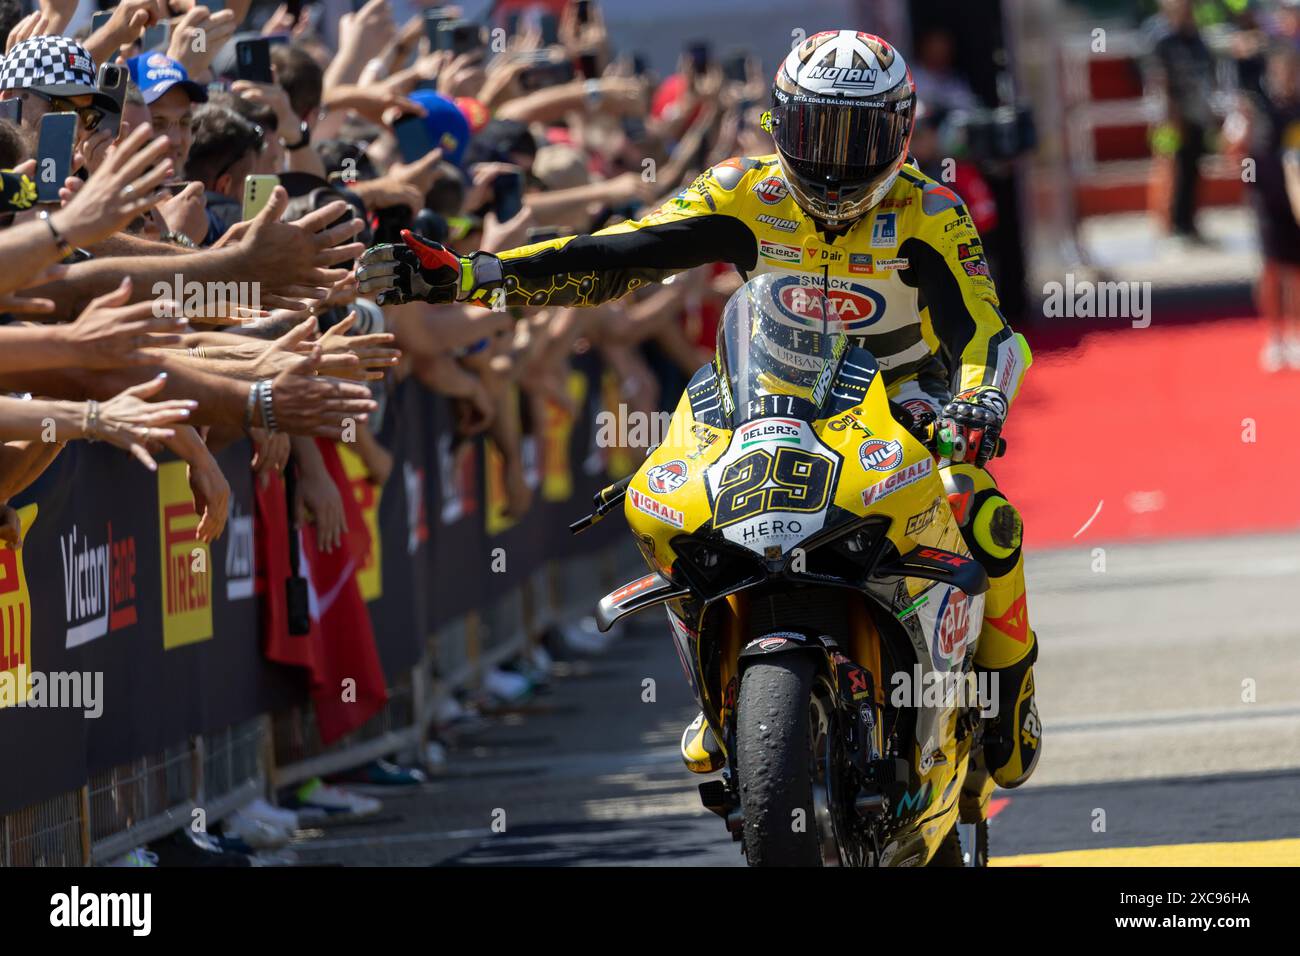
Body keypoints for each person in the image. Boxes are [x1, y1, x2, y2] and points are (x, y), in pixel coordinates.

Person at [356, 29, 1041, 791]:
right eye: (820, 131)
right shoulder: (745, 191)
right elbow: (612, 253)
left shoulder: (930, 210)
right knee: (683, 510)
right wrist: (473, 274)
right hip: (779, 397)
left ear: (902, 132)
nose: (838, 161)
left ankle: (1006, 696)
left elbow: (986, 329)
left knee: (980, 512)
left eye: (862, 136)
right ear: (782, 124)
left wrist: (978, 399)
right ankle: (726, 681)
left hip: (905, 408)